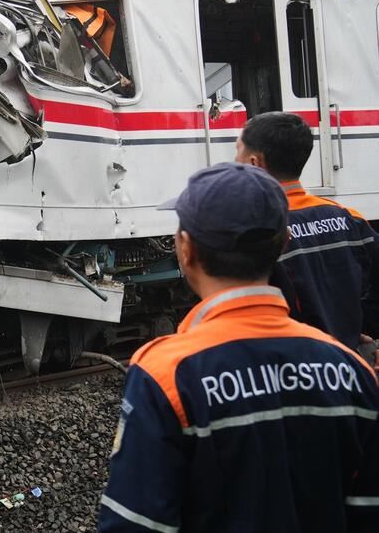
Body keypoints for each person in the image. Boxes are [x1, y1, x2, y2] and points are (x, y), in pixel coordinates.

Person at [98, 162, 379, 532]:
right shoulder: (352, 371)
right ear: (283, 243)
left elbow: (134, 524)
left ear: (186, 250)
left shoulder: (165, 373)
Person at [235, 111, 379, 350]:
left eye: (237, 150)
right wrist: (362, 324)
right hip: (346, 360)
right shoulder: (349, 218)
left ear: (254, 162)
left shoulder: (255, 230)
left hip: (292, 362)